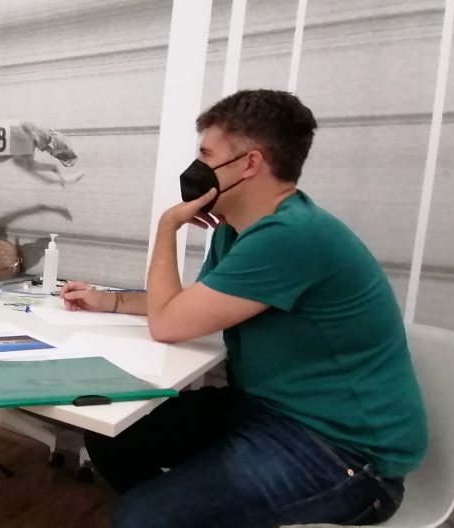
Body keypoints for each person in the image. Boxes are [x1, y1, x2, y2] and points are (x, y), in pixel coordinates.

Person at [62, 89, 428, 527]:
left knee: (139, 519)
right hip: (262, 411)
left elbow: (169, 324)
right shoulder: (237, 231)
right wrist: (112, 301)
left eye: (206, 155)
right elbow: (192, 306)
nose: (195, 168)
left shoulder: (292, 235)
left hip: (343, 452)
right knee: (111, 438)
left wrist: (168, 226)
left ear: (249, 164)